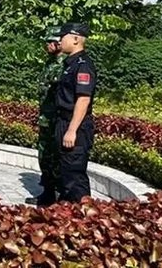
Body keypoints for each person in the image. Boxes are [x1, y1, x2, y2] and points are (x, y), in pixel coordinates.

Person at [54, 23, 97, 203]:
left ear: (76, 39)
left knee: (74, 176)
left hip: (76, 125)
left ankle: (83, 217)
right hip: (63, 121)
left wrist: (71, 130)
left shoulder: (83, 65)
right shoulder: (69, 64)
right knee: (64, 173)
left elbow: (83, 99)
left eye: (63, 36)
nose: (59, 40)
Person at [28, 26, 66, 206]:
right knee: (44, 156)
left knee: (56, 158)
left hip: (56, 119)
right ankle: (48, 192)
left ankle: (58, 196)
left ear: (59, 43)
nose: (47, 46)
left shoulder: (64, 64)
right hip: (46, 118)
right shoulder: (50, 63)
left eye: (50, 42)